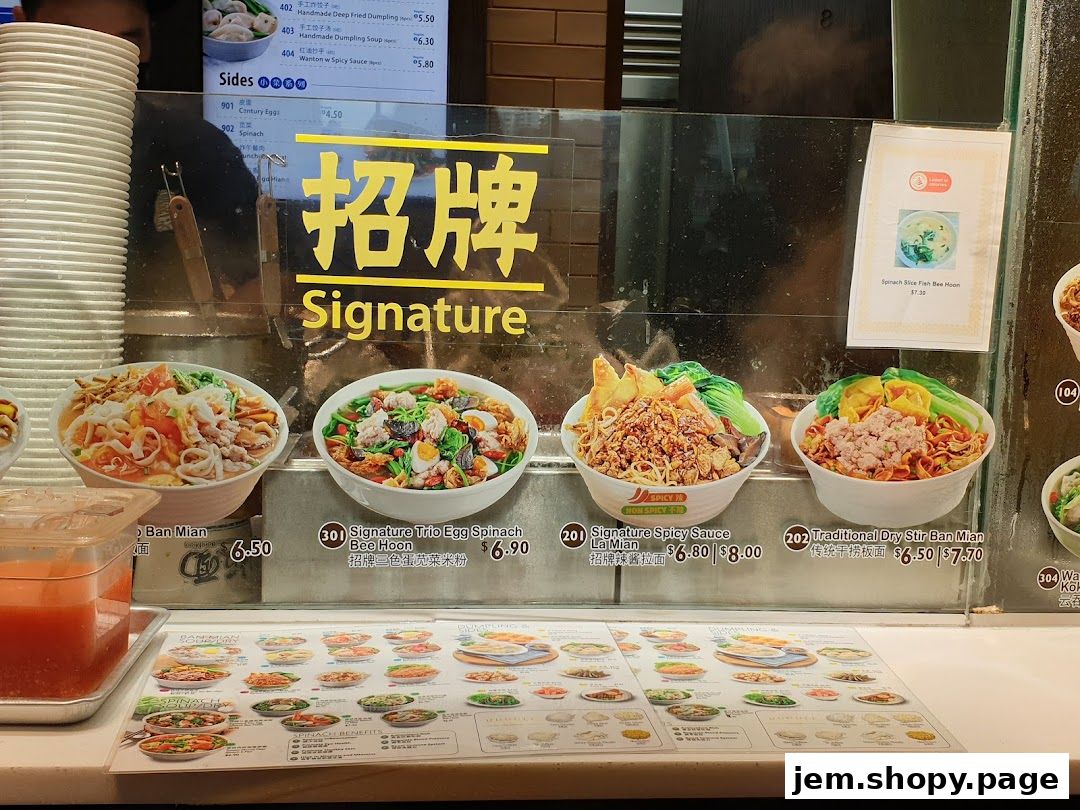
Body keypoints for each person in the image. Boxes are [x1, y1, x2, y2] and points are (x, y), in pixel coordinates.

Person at [14, 0, 262, 309]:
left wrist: (218, 342)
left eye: (125, 42)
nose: (101, 66)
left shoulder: (195, 145)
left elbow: (271, 275)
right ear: (21, 26)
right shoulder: (11, 141)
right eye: (73, 41)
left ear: (147, 41)